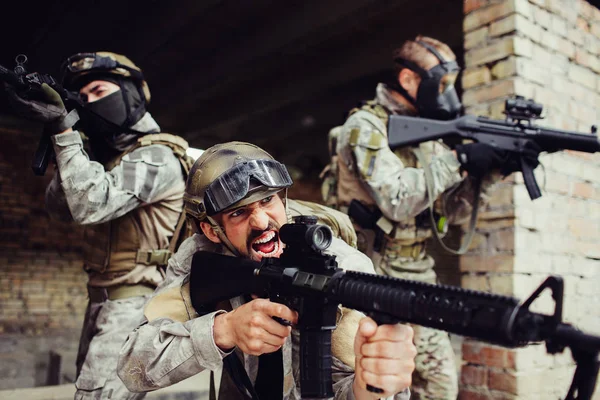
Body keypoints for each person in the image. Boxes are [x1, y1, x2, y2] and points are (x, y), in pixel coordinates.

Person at [320, 36, 538, 400]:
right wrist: (459, 160)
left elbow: (450, 213)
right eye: (444, 83)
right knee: (380, 384)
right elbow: (398, 201)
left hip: (418, 272)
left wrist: (490, 172)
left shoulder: (428, 135)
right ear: (409, 79)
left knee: (439, 386)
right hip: (371, 274)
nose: (449, 93)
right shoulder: (365, 125)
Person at [117, 141, 417, 400]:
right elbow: (133, 365)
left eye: (267, 200)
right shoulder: (203, 257)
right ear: (211, 230)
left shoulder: (342, 267)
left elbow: (357, 388)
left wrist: (370, 386)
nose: (261, 222)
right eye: (238, 212)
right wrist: (225, 329)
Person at [4, 52, 193, 399]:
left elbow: (89, 204)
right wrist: (71, 140)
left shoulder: (156, 155)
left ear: (132, 93)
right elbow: (60, 207)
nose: (91, 101)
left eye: (99, 90)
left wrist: (64, 131)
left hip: (134, 305)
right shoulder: (111, 159)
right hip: (102, 303)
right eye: (84, 96)